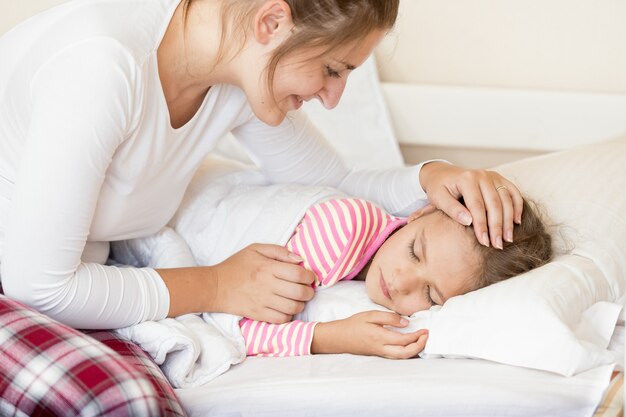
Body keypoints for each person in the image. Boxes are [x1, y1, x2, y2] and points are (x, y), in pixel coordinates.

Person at [0, 0, 523, 413]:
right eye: (332, 69)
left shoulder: (230, 74)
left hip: (70, 277)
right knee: (123, 401)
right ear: (272, 21)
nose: (332, 96)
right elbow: (39, 284)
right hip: (23, 282)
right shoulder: (103, 68)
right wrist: (219, 286)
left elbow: (335, 182)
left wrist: (431, 176)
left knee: (144, 394)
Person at [240, 197, 552, 359]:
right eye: (415, 251)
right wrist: (328, 337)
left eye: (431, 295)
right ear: (418, 214)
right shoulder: (342, 231)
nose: (402, 282)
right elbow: (238, 325)